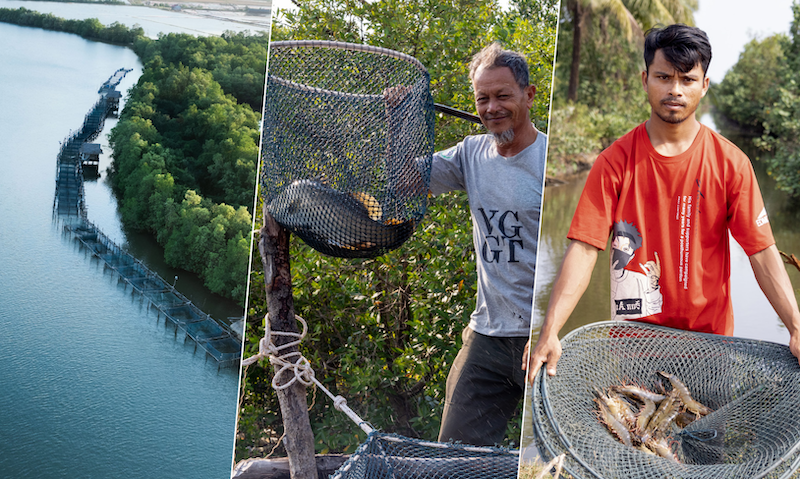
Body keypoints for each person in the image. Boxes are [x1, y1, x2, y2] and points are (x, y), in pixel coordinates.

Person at [523, 24, 800, 384]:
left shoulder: (731, 163)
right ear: (645, 79)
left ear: (704, 85)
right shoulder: (614, 162)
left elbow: (761, 252)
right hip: (634, 352)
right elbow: (584, 249)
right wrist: (550, 330)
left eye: (687, 79)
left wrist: (795, 326)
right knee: (635, 437)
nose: (674, 90)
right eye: (663, 77)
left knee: (705, 439)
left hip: (710, 349)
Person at [429, 42, 547, 446]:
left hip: (546, 336)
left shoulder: (552, 162)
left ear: (529, 95)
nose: (492, 107)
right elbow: (406, 181)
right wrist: (400, 118)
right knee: (452, 458)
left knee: (559, 459)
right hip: (488, 335)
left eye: (503, 96)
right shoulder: (470, 154)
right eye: (483, 98)